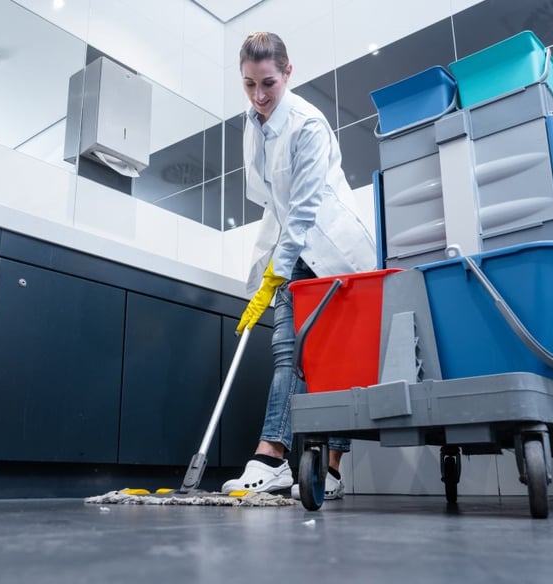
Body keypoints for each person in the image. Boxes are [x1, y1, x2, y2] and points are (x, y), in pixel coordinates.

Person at [221, 32, 377, 499]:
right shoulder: (253, 124)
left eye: (267, 83)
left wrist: (278, 269)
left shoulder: (307, 124)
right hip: (292, 249)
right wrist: (265, 273)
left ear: (287, 72)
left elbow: (305, 209)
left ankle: (330, 469)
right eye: (249, 84)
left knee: (336, 362)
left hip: (331, 254)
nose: (259, 95)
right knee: (287, 353)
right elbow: (274, 203)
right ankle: (273, 458)